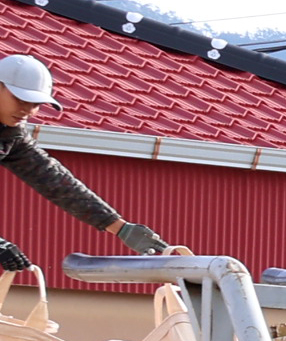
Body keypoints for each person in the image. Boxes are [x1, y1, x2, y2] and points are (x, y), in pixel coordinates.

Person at [0, 54, 172, 255]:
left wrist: (120, 227)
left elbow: (54, 180)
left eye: (35, 104)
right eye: (20, 99)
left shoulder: (11, 135)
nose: (27, 111)